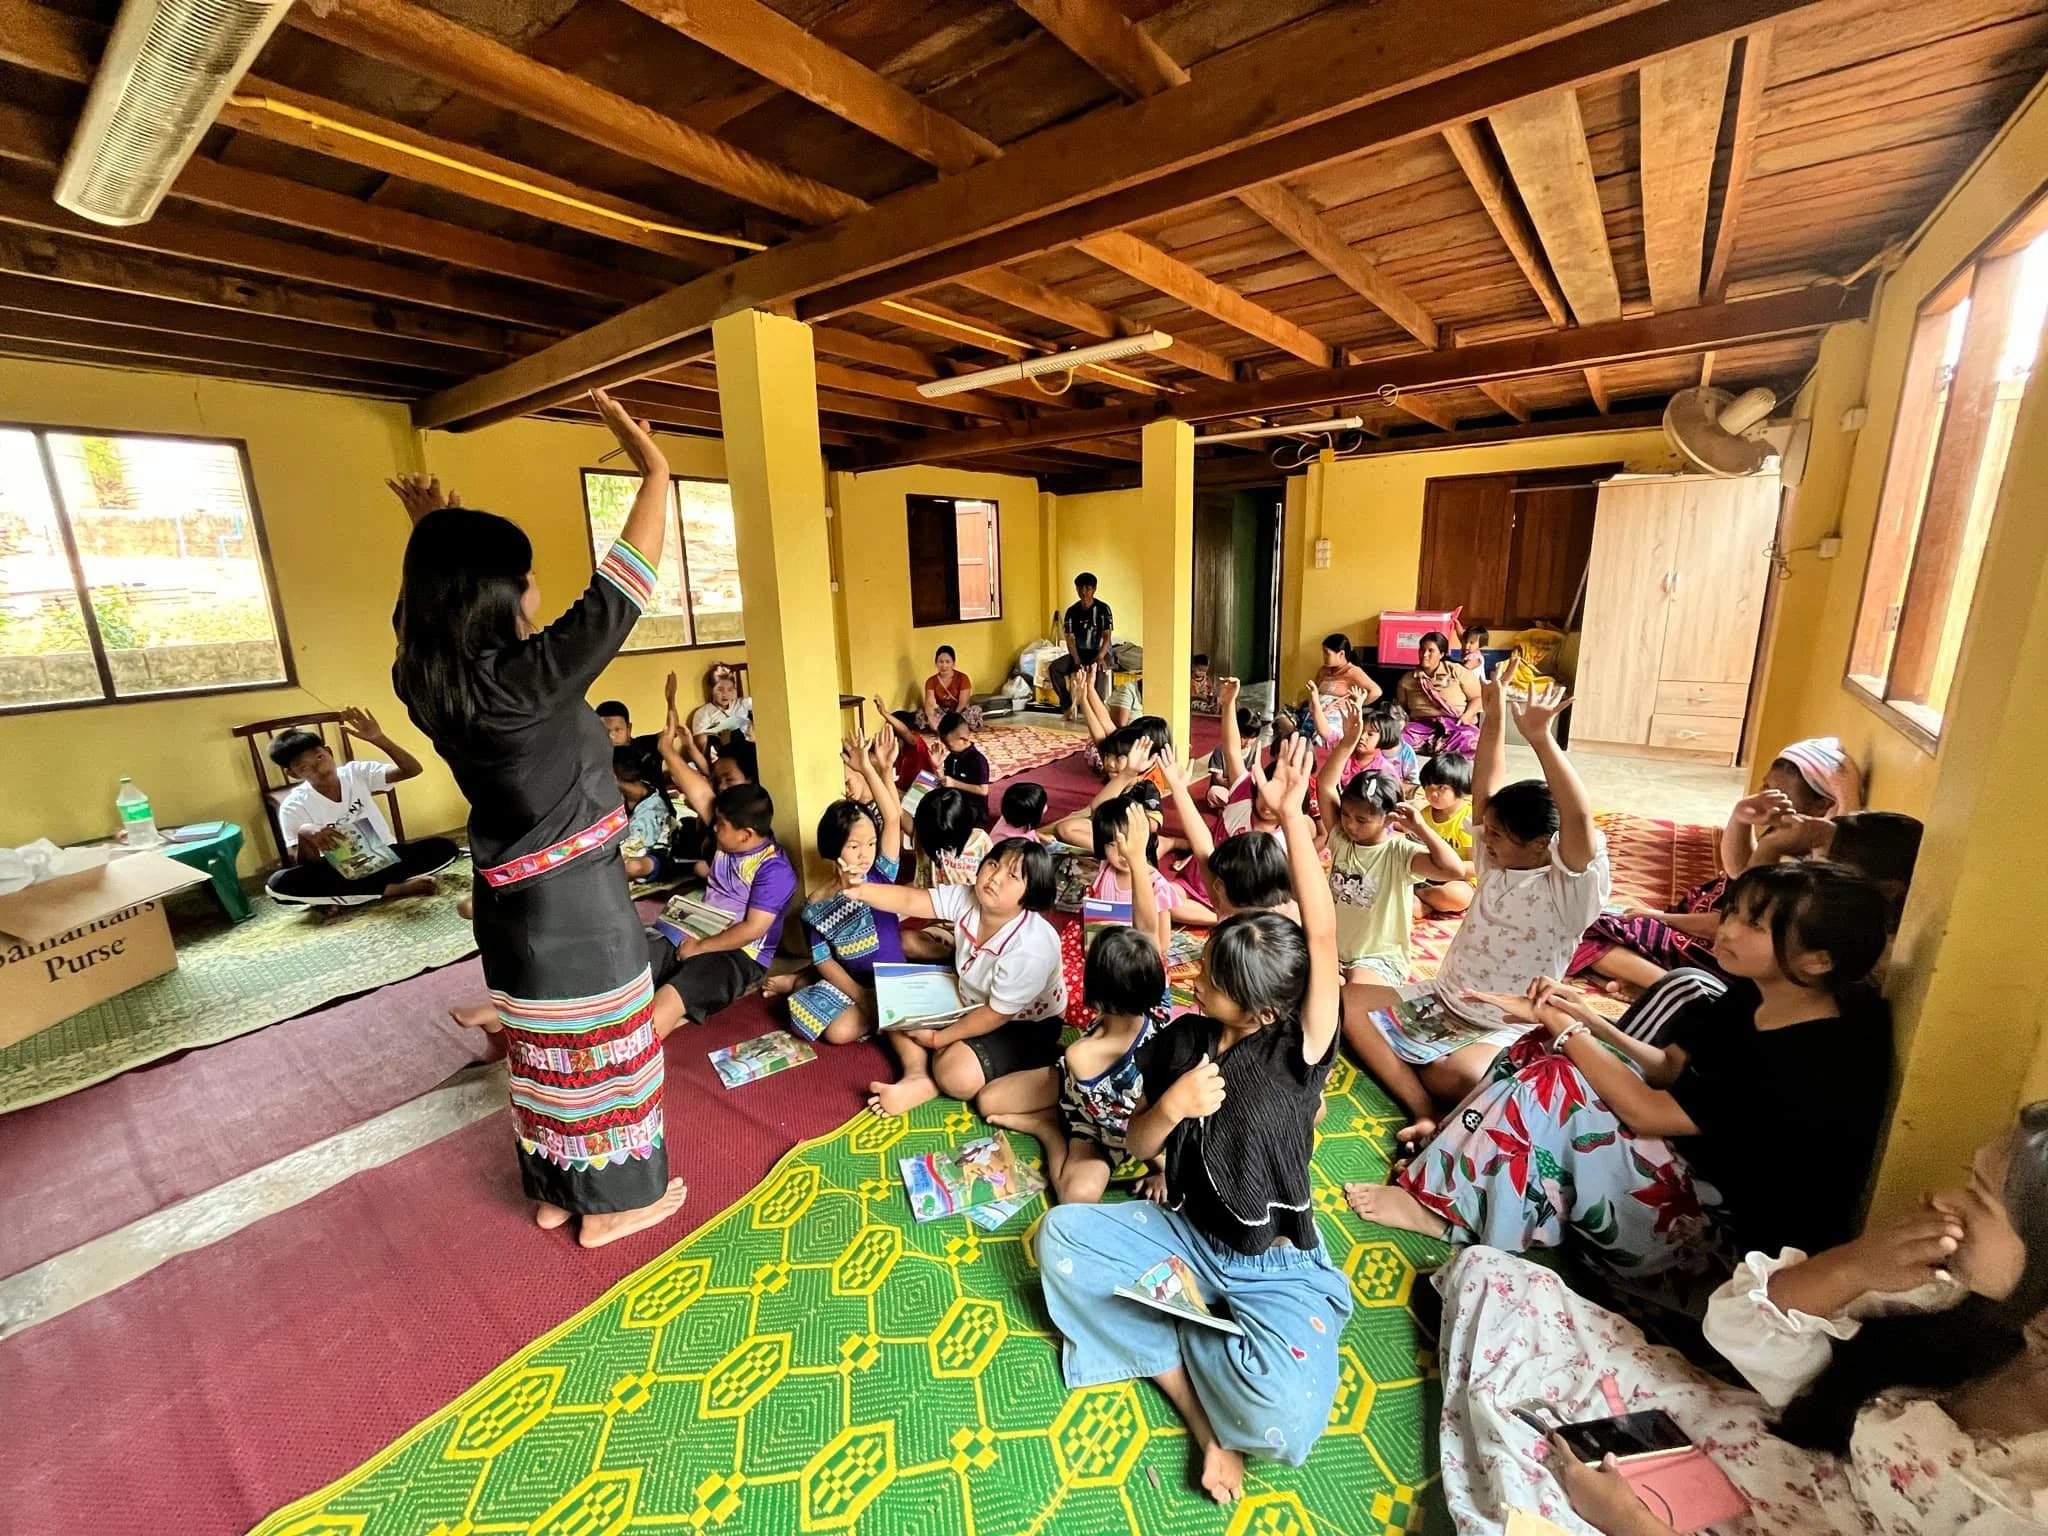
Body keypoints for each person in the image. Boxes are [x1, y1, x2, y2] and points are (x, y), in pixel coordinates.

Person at [1433, 1103, 2048, 1535]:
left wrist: (1627, 1519)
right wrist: (1854, 1267)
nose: (1944, 1202)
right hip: (1795, 1463)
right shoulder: (1961, 1307)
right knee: (1506, 1286)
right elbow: (1754, 1348)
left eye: (1980, 1197)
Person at [387, 396, 687, 1247]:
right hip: (578, 907)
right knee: (607, 1055)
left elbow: (420, 613)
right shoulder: (528, 680)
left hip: (510, 906)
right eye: (527, 576)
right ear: (501, 595)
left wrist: (433, 533)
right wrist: (655, 471)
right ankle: (614, 1207)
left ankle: (557, 1190)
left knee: (548, 1057)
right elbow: (619, 590)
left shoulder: (424, 677)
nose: (538, 587)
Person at [1037, 736, 1354, 1504]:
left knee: (1283, 1419)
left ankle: (1173, 1321)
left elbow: (1321, 937)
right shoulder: (1181, 1041)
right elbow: (1137, 1142)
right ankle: (1198, 1406)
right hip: (1184, 1234)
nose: (1192, 976)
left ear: (1263, 1007)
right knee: (1058, 1239)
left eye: (1210, 978)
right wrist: (1172, 1106)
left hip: (1272, 1263)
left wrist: (1295, 819)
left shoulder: (1299, 1049)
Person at [1350, 862, 1896, 1282]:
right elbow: (1668, 1068)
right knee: (1545, 1049)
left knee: (1559, 1079)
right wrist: (1582, 1018)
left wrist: (1568, 1031)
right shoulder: (1755, 993)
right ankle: (1457, 1159)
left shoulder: (1816, 1058)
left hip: (1723, 1249)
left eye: (1753, 924)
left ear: (1818, 960)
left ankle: (1442, 1211)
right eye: (1733, 913)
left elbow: (1648, 1112)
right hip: (1686, 1168)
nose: (1728, 930)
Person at [1347, 665, 1610, 1107]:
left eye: (1498, 835)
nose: (1485, 840)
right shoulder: (1497, 864)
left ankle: (1426, 1083)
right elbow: (1485, 786)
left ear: (1541, 844)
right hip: (1441, 999)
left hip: (1501, 1026)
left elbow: (1578, 816)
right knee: (1348, 1003)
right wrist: (1494, 713)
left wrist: (1541, 739)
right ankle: (1420, 1105)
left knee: (1457, 1075)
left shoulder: (1570, 892)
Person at [1572, 737, 1869, 994]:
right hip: (1709, 924)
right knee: (1609, 921)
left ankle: (1674, 987)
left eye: (1780, 793)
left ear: (1821, 805)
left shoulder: (1810, 873)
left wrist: (1661, 917)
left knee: (1584, 929)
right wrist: (1741, 817)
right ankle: (1649, 977)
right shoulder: (1793, 834)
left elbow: (1735, 919)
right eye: (1766, 787)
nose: (1767, 798)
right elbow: (1738, 869)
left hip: (1722, 949)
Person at [845, 837, 1066, 1117]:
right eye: (993, 864)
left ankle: (949, 1066)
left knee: (956, 1076)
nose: (995, 878)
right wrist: (860, 889)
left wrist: (938, 1039)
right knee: (892, 1004)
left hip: (1024, 1024)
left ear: (1032, 892)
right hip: (969, 995)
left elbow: (996, 1014)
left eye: (1012, 876)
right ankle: (918, 1075)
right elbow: (912, 900)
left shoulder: (1030, 948)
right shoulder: (969, 897)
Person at [986, 917, 1169, 1206]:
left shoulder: (1081, 1055)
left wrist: (1163, 1170)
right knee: (988, 1101)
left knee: (1076, 1197)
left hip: (1105, 1129)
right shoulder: (1159, 1006)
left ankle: (1047, 1129)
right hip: (1074, 1088)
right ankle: (1053, 1118)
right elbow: (1149, 926)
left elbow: (1132, 1123)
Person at [650, 726, 798, 1033]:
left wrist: (701, 948)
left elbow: (751, 930)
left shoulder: (774, 870)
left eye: (720, 825)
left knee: (670, 998)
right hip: (697, 928)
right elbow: (700, 792)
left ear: (746, 835)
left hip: (739, 954)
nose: (714, 828)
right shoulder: (729, 837)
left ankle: (632, 1057)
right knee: (634, 968)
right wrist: (667, 750)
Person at [767, 729, 905, 1045]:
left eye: (871, 843)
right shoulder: (815, 904)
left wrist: (867, 767)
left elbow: (892, 819)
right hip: (852, 982)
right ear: (833, 848)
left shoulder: (881, 875)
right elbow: (824, 959)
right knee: (836, 1032)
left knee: (851, 1027)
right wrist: (860, 995)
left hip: (892, 980)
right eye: (854, 846)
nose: (865, 854)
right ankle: (801, 983)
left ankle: (800, 982)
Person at [263, 709, 459, 907]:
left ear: (329, 752)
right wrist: (305, 834)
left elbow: (412, 770)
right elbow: (307, 867)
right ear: (292, 774)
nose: (319, 768)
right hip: (340, 870)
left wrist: (379, 739)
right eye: (304, 767)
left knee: (445, 847)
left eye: (320, 757)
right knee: (277, 884)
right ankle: (393, 889)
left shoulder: (356, 773)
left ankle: (345, 896)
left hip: (387, 857)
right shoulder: (293, 806)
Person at [1396, 630, 1483, 758]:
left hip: (1455, 725)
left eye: (1431, 650)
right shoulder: (1407, 679)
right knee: (1397, 740)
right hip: (1421, 727)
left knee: (1473, 739)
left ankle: (1442, 749)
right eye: (1422, 650)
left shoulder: (1456, 671)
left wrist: (1466, 717)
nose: (1425, 654)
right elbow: (1402, 709)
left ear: (1442, 654)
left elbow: (1477, 697)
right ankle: (1440, 749)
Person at [1416, 750, 1476, 914]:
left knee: (1457, 896)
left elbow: (1477, 866)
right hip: (1427, 877)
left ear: (1459, 786)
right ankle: (1423, 900)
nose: (1432, 794)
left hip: (1461, 880)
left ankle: (1422, 897)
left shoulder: (1468, 819)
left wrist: (1445, 869)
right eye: (1428, 787)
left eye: (1441, 788)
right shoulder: (1422, 816)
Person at [1050, 572, 1114, 717]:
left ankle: (1096, 708)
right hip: (1078, 653)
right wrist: (1076, 659)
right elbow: (1070, 639)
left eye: (1087, 588)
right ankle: (1067, 705)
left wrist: (1100, 656)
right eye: (1080, 588)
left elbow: (1107, 637)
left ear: (1094, 589)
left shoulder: (1103, 609)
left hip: (1099, 652)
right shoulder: (1072, 611)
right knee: (1055, 668)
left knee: (1099, 669)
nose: (1084, 592)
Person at [613, 746, 675, 882]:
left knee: (629, 867)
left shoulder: (651, 812)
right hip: (630, 845)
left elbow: (633, 848)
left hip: (651, 855)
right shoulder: (627, 792)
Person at [688, 662, 753, 760]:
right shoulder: (703, 713)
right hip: (722, 758)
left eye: (730, 689)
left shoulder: (742, 703)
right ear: (711, 690)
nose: (725, 694)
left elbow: (766, 707)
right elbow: (702, 748)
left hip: (748, 751)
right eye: (720, 689)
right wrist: (723, 743)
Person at [936, 711, 992, 821]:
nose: (947, 748)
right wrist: (937, 765)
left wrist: (954, 784)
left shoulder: (978, 760)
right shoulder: (951, 758)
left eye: (949, 745)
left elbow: (983, 790)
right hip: (955, 802)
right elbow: (945, 782)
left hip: (973, 808)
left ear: (963, 739)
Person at [918, 645, 981, 733]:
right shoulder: (931, 681)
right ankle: (947, 728)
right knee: (921, 714)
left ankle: (951, 727)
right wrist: (932, 720)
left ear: (953, 663)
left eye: (948, 662)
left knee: (974, 712)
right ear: (936, 663)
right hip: (941, 712)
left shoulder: (963, 678)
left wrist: (954, 718)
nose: (944, 665)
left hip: (959, 712)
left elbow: (963, 702)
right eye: (941, 662)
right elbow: (929, 703)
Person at [1312, 632, 1381, 707]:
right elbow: (1314, 691)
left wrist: (1355, 705)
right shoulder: (1323, 670)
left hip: (1338, 713)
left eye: (1327, 653)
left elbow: (1376, 692)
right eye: (1323, 652)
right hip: (1318, 711)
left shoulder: (1353, 671)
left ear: (1341, 654)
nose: (1324, 656)